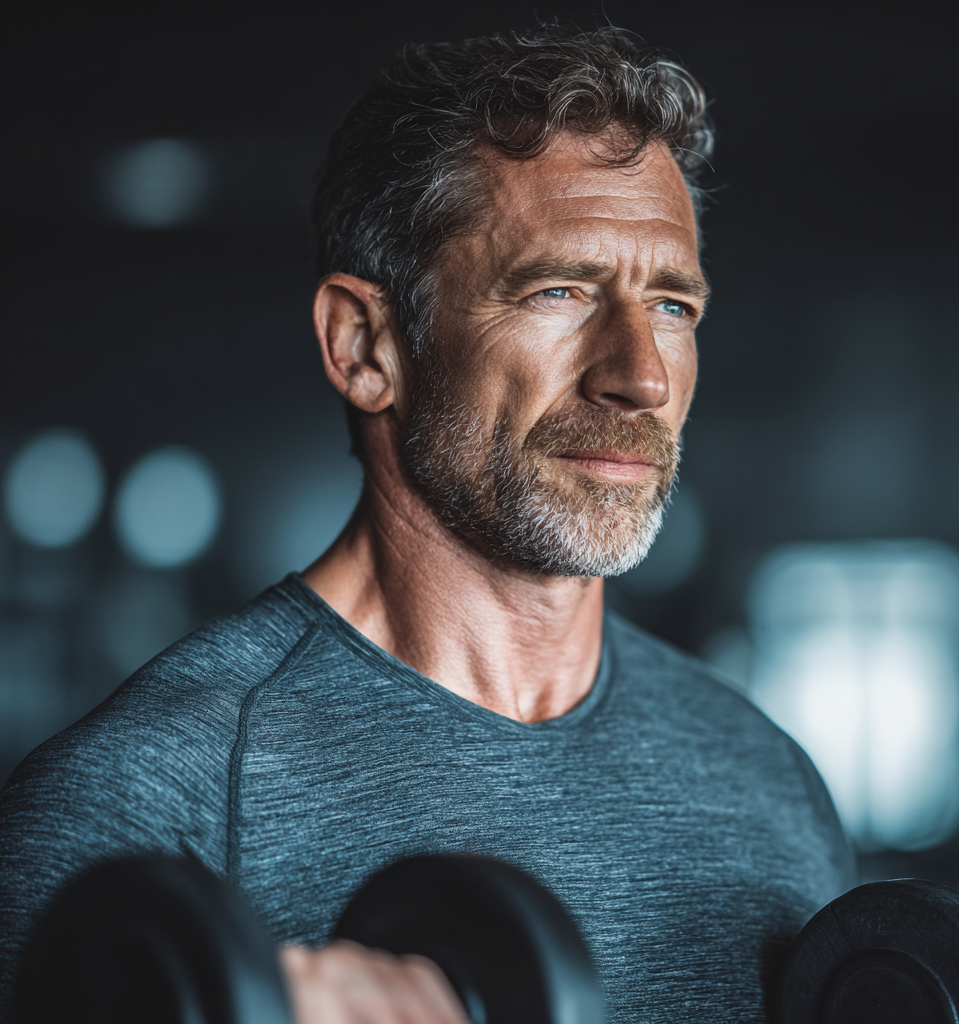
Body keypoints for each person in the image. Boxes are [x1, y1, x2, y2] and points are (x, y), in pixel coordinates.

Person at [0, 25, 855, 1023]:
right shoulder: (144, 804)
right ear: (366, 346)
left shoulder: (764, 776)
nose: (641, 377)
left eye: (672, 306)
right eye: (559, 291)